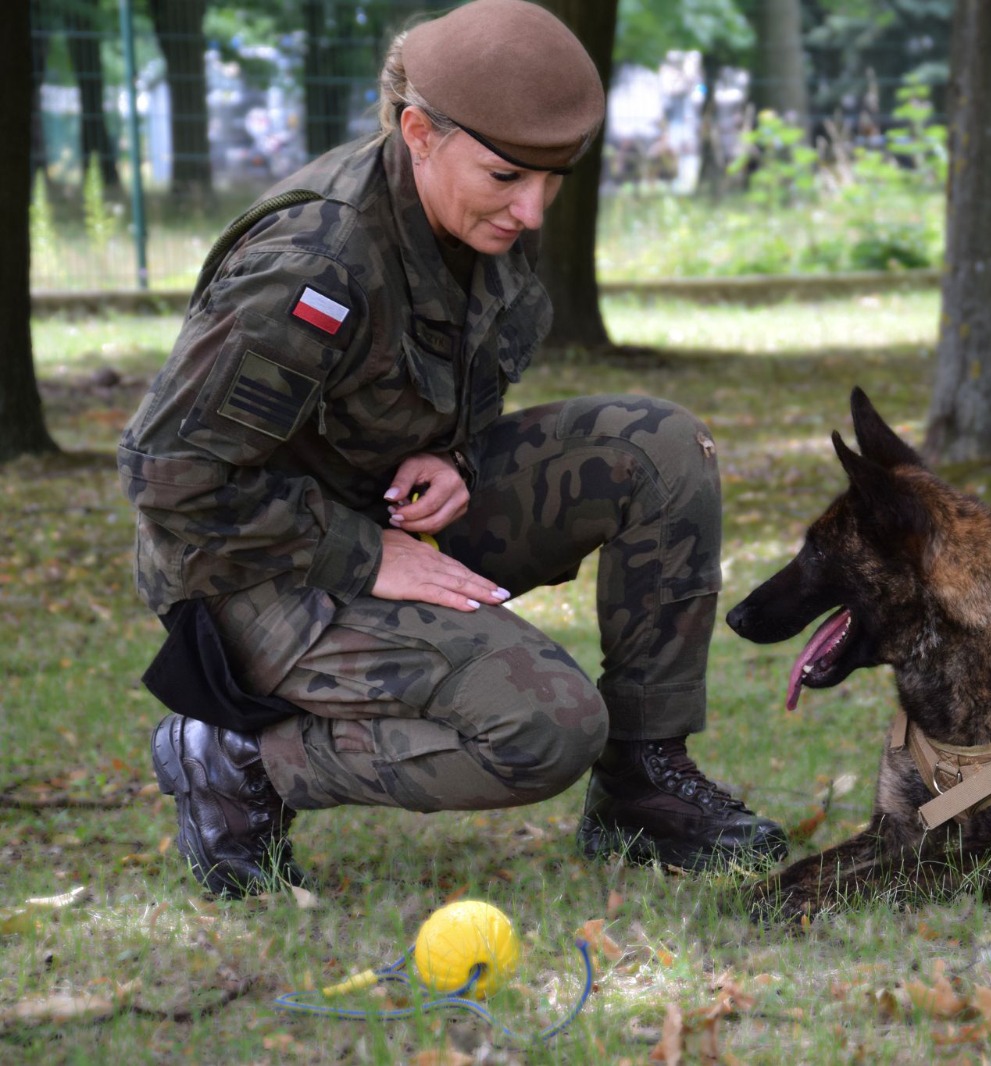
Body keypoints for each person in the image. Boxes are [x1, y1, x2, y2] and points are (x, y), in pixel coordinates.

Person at [119, 0, 787, 897]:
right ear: (419, 132)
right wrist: (363, 554)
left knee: (659, 447)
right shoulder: (314, 264)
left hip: (380, 511)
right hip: (250, 570)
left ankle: (643, 785)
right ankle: (240, 759)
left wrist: (458, 458)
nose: (533, 209)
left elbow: (447, 380)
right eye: (507, 175)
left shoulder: (476, 216)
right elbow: (169, 477)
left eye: (552, 178)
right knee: (546, 726)